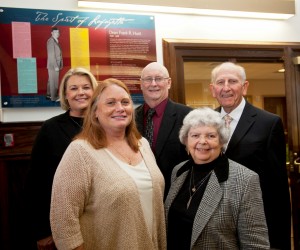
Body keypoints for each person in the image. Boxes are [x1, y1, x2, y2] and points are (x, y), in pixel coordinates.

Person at [50, 78, 166, 250]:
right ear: (95, 111)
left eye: (125, 102)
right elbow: (63, 219)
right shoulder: (80, 152)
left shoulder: (143, 145)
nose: (120, 108)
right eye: (111, 103)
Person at [209, 62, 291, 250]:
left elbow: (277, 188)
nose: (226, 87)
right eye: (220, 82)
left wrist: (279, 239)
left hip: (254, 221)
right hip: (216, 223)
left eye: (233, 81)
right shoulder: (205, 121)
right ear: (213, 89)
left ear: (244, 87)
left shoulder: (268, 123)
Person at [165, 107, 270, 249]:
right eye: (195, 135)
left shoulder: (245, 179)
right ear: (186, 140)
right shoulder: (179, 171)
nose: (202, 141)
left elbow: (255, 244)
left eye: (210, 136)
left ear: (222, 140)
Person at [24, 67, 98, 250]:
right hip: (64, 221)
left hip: (100, 218)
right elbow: (36, 183)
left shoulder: (105, 125)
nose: (80, 92)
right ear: (65, 95)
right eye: (74, 88)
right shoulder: (50, 129)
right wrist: (42, 231)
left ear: (95, 92)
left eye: (86, 87)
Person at [135, 62, 192, 196]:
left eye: (159, 79)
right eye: (148, 79)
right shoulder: (130, 118)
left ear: (169, 83)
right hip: (140, 194)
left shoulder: (188, 116)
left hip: (177, 194)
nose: (153, 84)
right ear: (141, 84)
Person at [46, 27, 63, 101]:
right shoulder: (51, 41)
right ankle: (54, 97)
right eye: (56, 32)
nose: (57, 34)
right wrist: (56, 66)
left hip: (54, 64)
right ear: (52, 33)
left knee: (51, 81)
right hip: (53, 65)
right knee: (54, 82)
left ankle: (49, 95)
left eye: (58, 32)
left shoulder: (55, 41)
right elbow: (51, 55)